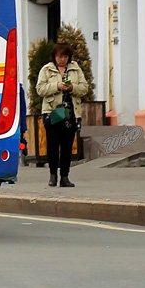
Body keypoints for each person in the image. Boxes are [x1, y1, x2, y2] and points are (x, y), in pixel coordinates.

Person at [35, 41, 90, 187]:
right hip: (52, 112)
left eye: (65, 56)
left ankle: (65, 177)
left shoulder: (75, 69)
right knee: (53, 145)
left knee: (67, 146)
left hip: (70, 114)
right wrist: (57, 86)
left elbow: (84, 88)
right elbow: (40, 89)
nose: (62, 59)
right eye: (60, 56)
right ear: (54, 57)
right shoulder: (47, 70)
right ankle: (53, 175)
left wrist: (72, 87)